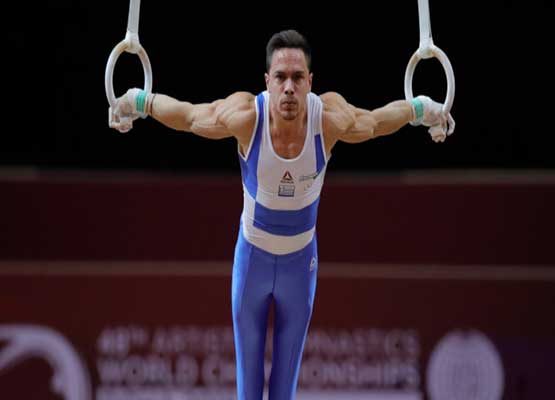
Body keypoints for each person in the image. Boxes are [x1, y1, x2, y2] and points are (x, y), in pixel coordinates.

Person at [109, 29, 454, 400]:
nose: (289, 87)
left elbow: (374, 121)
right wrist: (137, 100)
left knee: (283, 390)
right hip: (252, 261)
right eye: (281, 77)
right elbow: (190, 116)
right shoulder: (246, 117)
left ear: (310, 82)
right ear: (267, 82)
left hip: (300, 266)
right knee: (248, 388)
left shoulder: (328, 120)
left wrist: (424, 108)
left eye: (297, 77)